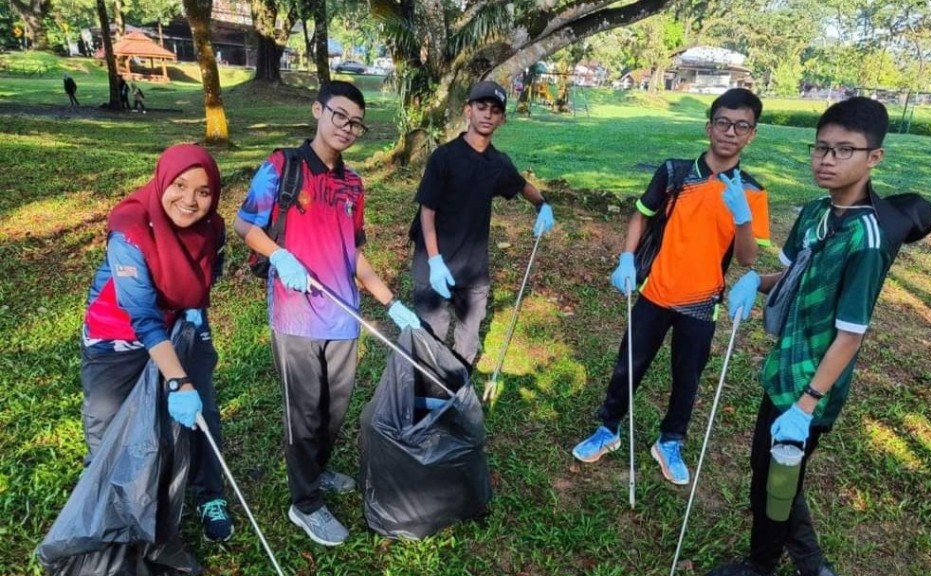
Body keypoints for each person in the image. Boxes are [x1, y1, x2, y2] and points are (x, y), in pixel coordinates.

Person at [707, 97, 931, 576]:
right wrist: (754, 282)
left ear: (874, 158)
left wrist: (806, 406)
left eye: (843, 151)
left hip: (813, 387)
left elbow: (850, 336)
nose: (827, 160)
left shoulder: (867, 241)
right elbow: (787, 276)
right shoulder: (815, 212)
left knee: (776, 479)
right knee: (773, 476)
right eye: (821, 148)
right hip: (783, 369)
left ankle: (770, 566)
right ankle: (788, 565)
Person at [233, 80, 421, 547]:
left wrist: (389, 301)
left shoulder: (353, 183)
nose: (347, 128)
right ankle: (305, 503)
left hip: (343, 317)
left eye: (356, 122)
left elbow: (354, 253)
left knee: (333, 409)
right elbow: (244, 223)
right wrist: (279, 255)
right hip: (295, 316)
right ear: (318, 110)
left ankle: (317, 469)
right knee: (304, 412)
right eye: (339, 116)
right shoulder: (283, 167)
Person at [571, 88, 770, 485]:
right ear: (708, 126)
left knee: (687, 378)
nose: (730, 132)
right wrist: (626, 258)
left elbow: (748, 259)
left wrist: (743, 218)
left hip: (702, 302)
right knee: (629, 364)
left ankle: (670, 441)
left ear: (752, 134)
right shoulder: (675, 171)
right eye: (722, 122)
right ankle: (608, 429)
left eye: (741, 126)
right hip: (654, 291)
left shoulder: (751, 191)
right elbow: (641, 216)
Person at [80, 143, 235, 543]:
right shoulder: (130, 227)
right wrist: (177, 382)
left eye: (203, 191)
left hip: (182, 324)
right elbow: (143, 317)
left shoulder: (213, 228)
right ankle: (110, 501)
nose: (190, 200)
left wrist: (195, 318)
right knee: (107, 420)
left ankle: (209, 494)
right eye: (180, 185)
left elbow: (206, 276)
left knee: (204, 414)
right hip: (116, 335)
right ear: (163, 180)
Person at [408, 80, 555, 366]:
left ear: (502, 118)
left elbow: (521, 185)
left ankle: (458, 389)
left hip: (473, 268)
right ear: (468, 110)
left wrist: (542, 205)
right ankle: (424, 391)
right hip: (433, 263)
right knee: (430, 337)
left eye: (495, 110)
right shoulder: (445, 157)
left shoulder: (497, 163)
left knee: (468, 337)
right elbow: (428, 211)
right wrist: (435, 263)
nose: (487, 114)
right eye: (481, 107)